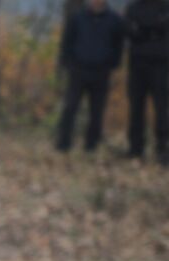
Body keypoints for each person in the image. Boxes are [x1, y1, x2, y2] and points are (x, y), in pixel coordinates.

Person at [57, 0, 126, 153]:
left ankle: (91, 146)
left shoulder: (115, 21)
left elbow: (118, 46)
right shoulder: (78, 18)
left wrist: (112, 65)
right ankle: (63, 143)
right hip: (78, 69)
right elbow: (67, 41)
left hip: (101, 72)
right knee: (70, 106)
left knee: (97, 111)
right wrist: (69, 63)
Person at [125, 0, 169, 164]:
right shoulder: (133, 8)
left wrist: (143, 30)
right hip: (137, 65)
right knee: (136, 108)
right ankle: (135, 149)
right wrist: (154, 30)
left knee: (161, 109)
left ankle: (162, 148)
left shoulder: (165, 7)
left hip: (160, 66)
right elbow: (130, 31)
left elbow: (161, 30)